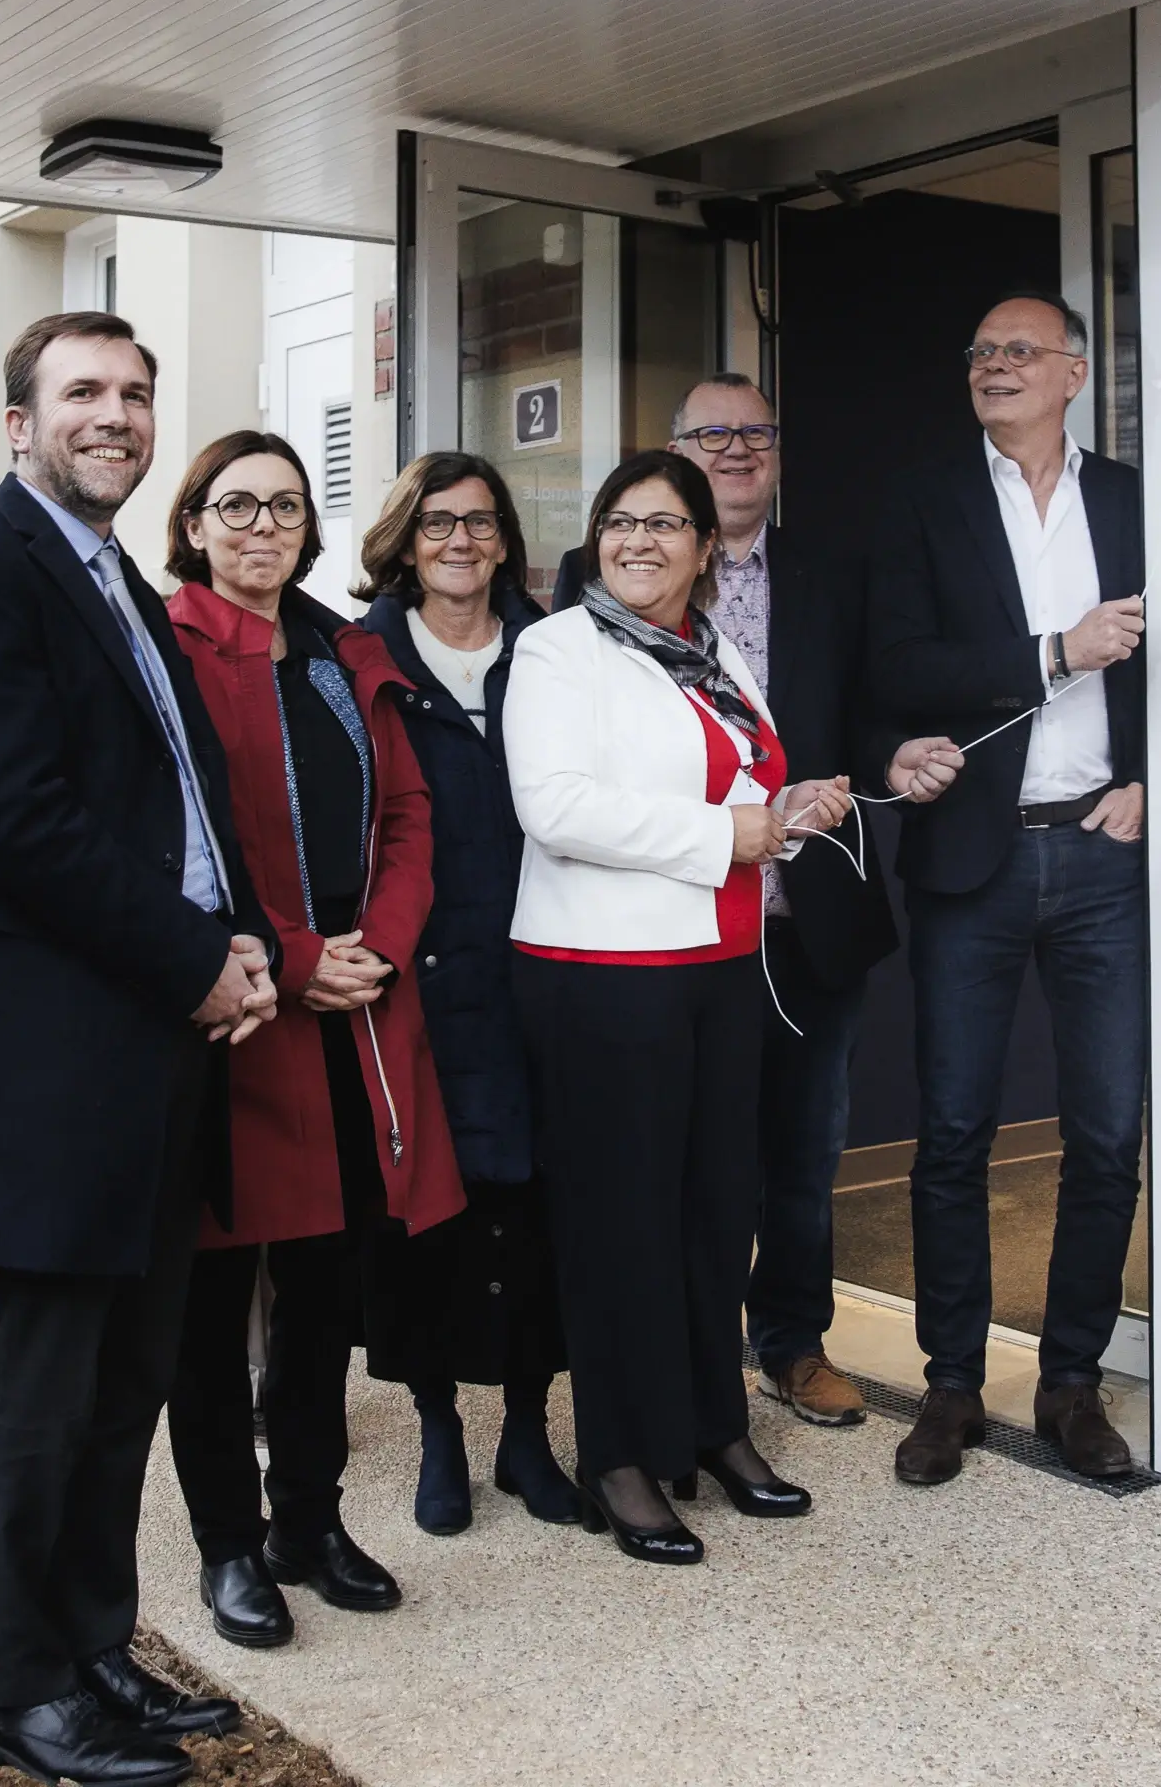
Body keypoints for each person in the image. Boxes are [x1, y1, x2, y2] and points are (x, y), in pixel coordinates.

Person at [0, 312, 276, 1787]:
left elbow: (177, 794)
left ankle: (97, 1649)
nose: (115, 414)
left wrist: (244, 946)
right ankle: (18, 1688)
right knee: (42, 1388)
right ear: (19, 422)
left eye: (135, 393)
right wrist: (194, 963)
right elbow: (19, 819)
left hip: (157, 1037)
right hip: (54, 1044)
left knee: (129, 1372)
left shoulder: (120, 583)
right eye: (84, 394)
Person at [553, 378, 962, 1433]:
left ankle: (789, 1338)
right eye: (711, 434)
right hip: (672, 921)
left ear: (776, 451)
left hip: (805, 911)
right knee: (690, 1153)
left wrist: (884, 758)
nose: (735, 450)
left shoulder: (832, 570)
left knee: (802, 1148)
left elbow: (866, 713)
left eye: (755, 432)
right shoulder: (602, 583)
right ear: (676, 453)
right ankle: (688, 1357)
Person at [507, 449, 849, 1562]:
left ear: (707, 546)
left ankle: (711, 1427)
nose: (637, 542)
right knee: (620, 1222)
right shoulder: (559, 646)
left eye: (664, 524)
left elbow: (731, 784)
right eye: (619, 521)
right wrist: (725, 838)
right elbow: (553, 805)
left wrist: (785, 806)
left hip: (717, 965)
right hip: (602, 972)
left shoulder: (716, 651)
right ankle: (617, 1452)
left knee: (714, 1209)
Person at [157, 430, 466, 1648]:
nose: (260, 525)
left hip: (355, 1006)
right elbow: (167, 840)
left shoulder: (344, 654)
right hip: (239, 1010)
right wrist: (289, 954)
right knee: (216, 1292)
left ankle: (309, 1519)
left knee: (330, 1288)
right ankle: (229, 1545)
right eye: (235, 505)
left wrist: (377, 945)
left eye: (283, 505)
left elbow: (405, 813)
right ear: (192, 523)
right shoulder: (167, 646)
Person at [864, 292, 1149, 1486]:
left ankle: (1071, 1380)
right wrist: (1051, 652)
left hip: (1101, 849)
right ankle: (950, 1384)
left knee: (1100, 1132)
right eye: (978, 350)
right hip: (971, 858)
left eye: (1018, 351)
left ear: (1073, 372)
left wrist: (1153, 776)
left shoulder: (1134, 499)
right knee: (953, 1136)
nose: (992, 366)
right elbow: (898, 663)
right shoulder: (923, 501)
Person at [355, 453, 581, 1535]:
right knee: (428, 1217)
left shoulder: (555, 649)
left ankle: (528, 1430)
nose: (460, 542)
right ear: (405, 540)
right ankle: (439, 1425)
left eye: (481, 523)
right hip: (419, 975)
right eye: (438, 523)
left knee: (536, 1209)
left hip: (539, 961)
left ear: (505, 539)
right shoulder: (361, 659)